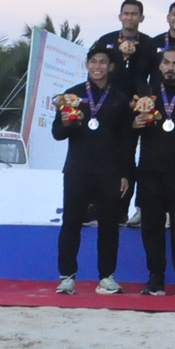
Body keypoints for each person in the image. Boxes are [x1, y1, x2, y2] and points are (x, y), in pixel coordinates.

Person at [54, 46, 130, 294]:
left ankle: (106, 277)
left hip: (109, 172)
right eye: (93, 62)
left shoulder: (119, 98)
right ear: (86, 64)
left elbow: (126, 141)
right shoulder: (71, 95)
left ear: (111, 67)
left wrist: (125, 174)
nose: (98, 66)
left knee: (109, 225)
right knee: (71, 223)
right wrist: (66, 124)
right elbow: (57, 134)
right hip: (77, 169)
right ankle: (67, 277)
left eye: (103, 62)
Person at [132, 48, 175, 296]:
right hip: (150, 171)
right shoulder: (145, 98)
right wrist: (134, 124)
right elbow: (129, 133)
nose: (171, 67)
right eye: (166, 63)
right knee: (151, 228)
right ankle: (156, 278)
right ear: (159, 67)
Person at [93, 0, 157, 93]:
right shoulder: (106, 40)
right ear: (120, 16)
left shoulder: (149, 43)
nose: (129, 17)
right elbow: (94, 67)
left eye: (134, 14)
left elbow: (155, 74)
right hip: (108, 94)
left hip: (138, 96)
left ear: (141, 18)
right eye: (126, 14)